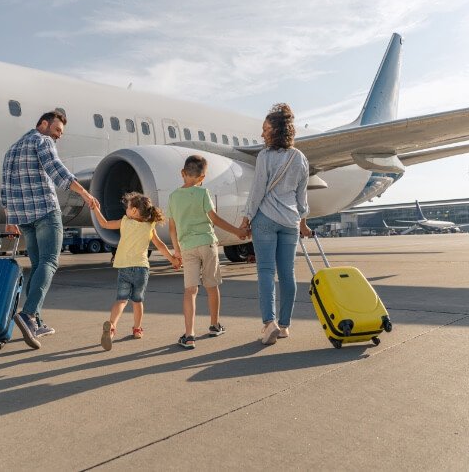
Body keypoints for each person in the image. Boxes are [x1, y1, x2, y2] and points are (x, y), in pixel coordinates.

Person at [1, 110, 97, 349]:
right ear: (43, 124)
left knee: (38, 265)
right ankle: (29, 314)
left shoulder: (11, 149)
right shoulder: (41, 141)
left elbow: (5, 188)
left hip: (23, 217)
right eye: (57, 130)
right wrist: (85, 193)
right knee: (50, 262)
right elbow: (57, 170)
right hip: (45, 212)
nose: (58, 136)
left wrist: (9, 219)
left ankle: (37, 321)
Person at [241, 103, 311, 345]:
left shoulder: (265, 156)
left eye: (265, 129)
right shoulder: (301, 158)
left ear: (276, 131)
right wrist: (303, 223)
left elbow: (257, 190)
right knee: (288, 274)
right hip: (291, 222)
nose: (262, 134)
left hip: (266, 221)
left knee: (266, 272)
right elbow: (302, 197)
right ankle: (284, 326)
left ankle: (268, 323)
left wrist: (246, 218)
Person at [168, 155, 249, 349]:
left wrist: (176, 251)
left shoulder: (173, 197)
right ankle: (214, 325)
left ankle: (189, 336)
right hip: (207, 243)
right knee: (212, 286)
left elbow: (172, 228)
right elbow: (215, 219)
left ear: (182, 173)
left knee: (190, 291)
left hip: (187, 247)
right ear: (202, 177)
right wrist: (237, 231)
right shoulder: (203, 192)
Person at [92, 192, 180, 351]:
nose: (126, 208)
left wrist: (96, 209)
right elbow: (160, 245)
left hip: (124, 267)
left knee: (121, 300)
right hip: (141, 268)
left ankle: (111, 327)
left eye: (128, 206)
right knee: (137, 301)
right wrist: (173, 259)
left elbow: (104, 224)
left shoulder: (125, 222)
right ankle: (137, 329)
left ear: (133, 211)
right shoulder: (149, 226)